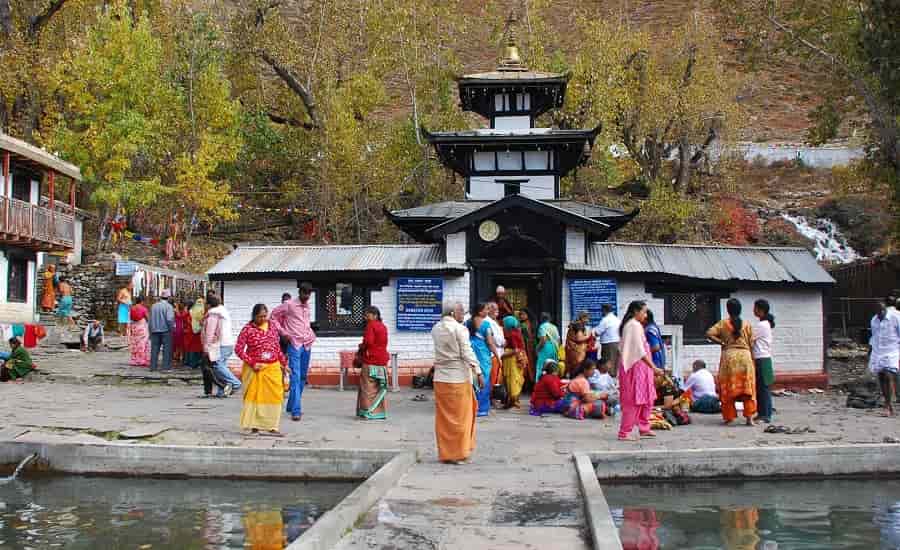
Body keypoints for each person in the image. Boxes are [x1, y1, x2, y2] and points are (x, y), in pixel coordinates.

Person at [431, 302, 482, 465]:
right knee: (461, 418)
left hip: (440, 378)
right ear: (453, 313)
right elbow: (467, 352)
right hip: (458, 378)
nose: (463, 315)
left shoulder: (435, 328)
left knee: (444, 419)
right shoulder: (460, 329)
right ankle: (459, 454)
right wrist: (478, 371)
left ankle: (446, 453)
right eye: (461, 312)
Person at [236, 304, 287, 437]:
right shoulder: (247, 329)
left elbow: (277, 347)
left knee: (275, 397)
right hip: (255, 369)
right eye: (260, 317)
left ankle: (272, 427)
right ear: (254, 316)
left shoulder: (272, 326)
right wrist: (252, 363)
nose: (263, 319)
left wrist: (284, 363)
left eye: (265, 316)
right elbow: (238, 349)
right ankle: (255, 427)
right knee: (255, 397)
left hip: (273, 367)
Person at [706, 298, 757, 426]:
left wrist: (722, 342)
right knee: (747, 389)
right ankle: (749, 418)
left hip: (729, 358)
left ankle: (729, 417)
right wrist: (752, 359)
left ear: (728, 310)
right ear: (740, 310)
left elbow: (709, 333)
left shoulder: (723, 324)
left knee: (727, 388)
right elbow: (752, 343)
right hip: (745, 357)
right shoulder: (747, 324)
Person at [270, 282, 316, 422]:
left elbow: (305, 323)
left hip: (307, 344)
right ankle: (296, 410)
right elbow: (273, 316)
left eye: (308, 294)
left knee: (302, 377)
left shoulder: (307, 306)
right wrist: (283, 332)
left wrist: (311, 333)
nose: (306, 296)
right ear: (300, 292)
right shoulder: (289, 305)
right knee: (295, 376)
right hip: (294, 344)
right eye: (304, 293)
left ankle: (291, 405)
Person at [618, 300, 660, 440]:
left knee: (647, 399)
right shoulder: (633, 325)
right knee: (634, 401)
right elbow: (639, 352)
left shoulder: (636, 325)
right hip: (635, 368)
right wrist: (654, 367)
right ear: (636, 311)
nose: (646, 315)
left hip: (643, 368)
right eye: (644, 312)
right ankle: (624, 432)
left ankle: (644, 427)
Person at [202, 294, 242, 398]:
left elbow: (210, 333)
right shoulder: (223, 312)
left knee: (217, 365)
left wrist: (206, 348)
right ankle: (222, 391)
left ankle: (235, 383)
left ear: (209, 304)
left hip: (220, 344)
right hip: (227, 343)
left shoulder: (213, 315)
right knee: (221, 367)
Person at [869, 297, 900, 417]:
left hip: (892, 350)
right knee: (881, 376)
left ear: (885, 308)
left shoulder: (896, 317)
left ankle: (890, 403)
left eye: (882, 310)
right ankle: (888, 404)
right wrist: (871, 350)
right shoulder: (874, 320)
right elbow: (874, 336)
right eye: (878, 311)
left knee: (888, 374)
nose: (881, 312)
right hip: (878, 351)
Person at [356, 306, 389, 420]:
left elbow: (368, 342)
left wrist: (361, 347)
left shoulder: (371, 325)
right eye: (365, 315)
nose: (365, 317)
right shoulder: (383, 326)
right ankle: (380, 412)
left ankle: (368, 412)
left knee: (367, 388)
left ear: (375, 315)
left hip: (370, 361)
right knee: (378, 387)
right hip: (382, 362)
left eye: (367, 315)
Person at [466, 303, 496, 417]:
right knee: (484, 378)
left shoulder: (467, 323)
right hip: (483, 354)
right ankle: (481, 408)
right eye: (486, 309)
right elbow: (490, 342)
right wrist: (497, 356)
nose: (488, 311)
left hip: (471, 352)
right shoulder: (486, 324)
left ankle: (471, 407)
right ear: (480, 312)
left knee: (472, 378)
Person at [752, 299, 776, 423]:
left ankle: (765, 415)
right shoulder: (765, 324)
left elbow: (750, 337)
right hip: (765, 358)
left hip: (761, 358)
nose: (753, 310)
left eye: (755, 308)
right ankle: (763, 413)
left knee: (763, 388)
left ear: (760, 310)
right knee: (762, 387)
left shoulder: (762, 325)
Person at [501, 315, 527, 409]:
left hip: (513, 359)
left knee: (512, 379)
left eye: (504, 323)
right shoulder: (517, 332)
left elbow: (515, 350)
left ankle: (513, 401)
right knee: (517, 378)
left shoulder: (511, 334)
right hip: (520, 357)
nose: (503, 325)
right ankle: (514, 400)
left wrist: (502, 355)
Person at [149, 290, 176, 372]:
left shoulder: (153, 306)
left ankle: (153, 367)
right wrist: (172, 328)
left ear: (161, 297)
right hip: (166, 330)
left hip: (154, 330)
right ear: (168, 297)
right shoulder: (169, 307)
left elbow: (150, 319)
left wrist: (150, 330)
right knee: (167, 349)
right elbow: (169, 319)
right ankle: (165, 367)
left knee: (154, 349)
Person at [593, 304, 621, 376]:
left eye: (602, 311)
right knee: (615, 362)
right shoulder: (617, 319)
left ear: (604, 310)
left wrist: (593, 332)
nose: (601, 312)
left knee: (607, 362)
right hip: (617, 343)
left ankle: (609, 378)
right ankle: (613, 377)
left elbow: (597, 332)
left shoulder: (605, 320)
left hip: (608, 344)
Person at [535, 313, 561, 383]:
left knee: (542, 367)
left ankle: (540, 384)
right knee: (552, 367)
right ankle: (553, 383)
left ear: (541, 319)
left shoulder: (542, 326)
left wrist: (537, 348)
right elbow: (558, 341)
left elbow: (543, 340)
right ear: (549, 319)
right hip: (554, 348)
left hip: (545, 348)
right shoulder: (554, 327)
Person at [485, 302, 505, 391]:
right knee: (493, 378)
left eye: (497, 309)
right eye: (495, 309)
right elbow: (496, 339)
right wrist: (503, 342)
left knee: (496, 377)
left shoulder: (493, 321)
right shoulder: (488, 321)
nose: (497, 311)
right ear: (489, 310)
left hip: (497, 353)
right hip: (494, 354)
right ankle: (491, 395)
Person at [517, 309, 537, 388]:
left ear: (527, 315)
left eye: (523, 314)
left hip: (528, 347)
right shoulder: (529, 323)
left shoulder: (524, 325)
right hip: (529, 347)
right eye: (520, 315)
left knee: (528, 365)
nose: (521, 316)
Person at [129, 296, 150, 366]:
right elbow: (148, 318)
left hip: (134, 327)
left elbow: (130, 318)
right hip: (142, 327)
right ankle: (141, 360)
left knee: (135, 343)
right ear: (142, 301)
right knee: (142, 344)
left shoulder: (132, 308)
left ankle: (134, 360)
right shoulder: (144, 309)